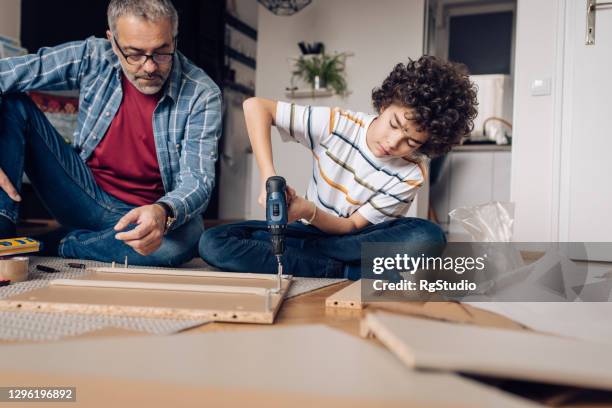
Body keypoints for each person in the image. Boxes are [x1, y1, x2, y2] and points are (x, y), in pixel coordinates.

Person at [199, 56, 478, 279]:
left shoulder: (411, 173)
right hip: (311, 232)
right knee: (213, 241)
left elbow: (351, 226)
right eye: (394, 125)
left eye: (412, 141)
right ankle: (346, 271)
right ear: (385, 103)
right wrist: (267, 174)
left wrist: (308, 209)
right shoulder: (338, 124)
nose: (394, 142)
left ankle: (317, 263)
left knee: (427, 237)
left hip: (355, 239)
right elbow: (255, 107)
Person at [0, 0, 222, 266]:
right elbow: (6, 74)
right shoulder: (94, 55)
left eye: (162, 52)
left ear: (174, 37)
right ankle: (3, 232)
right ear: (112, 41)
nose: (150, 67)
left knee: (185, 239)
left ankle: (56, 243)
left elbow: (198, 179)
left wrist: (163, 211)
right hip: (80, 196)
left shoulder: (202, 94)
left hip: (143, 216)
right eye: (135, 54)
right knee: (12, 103)